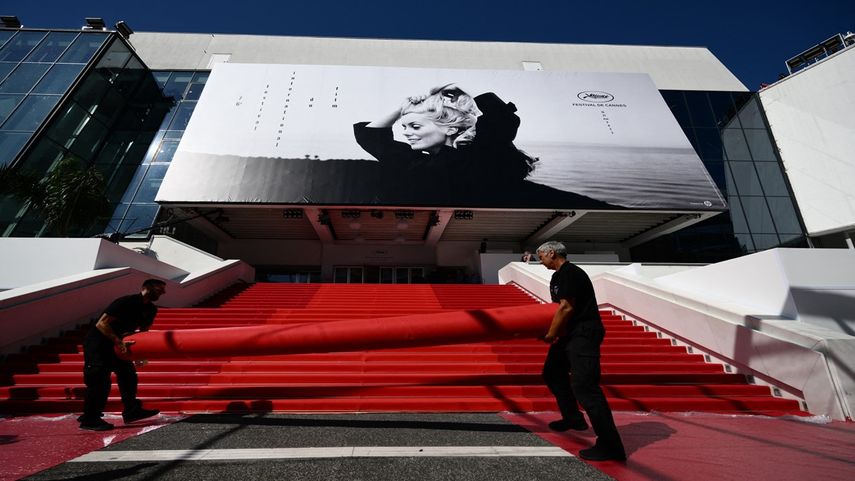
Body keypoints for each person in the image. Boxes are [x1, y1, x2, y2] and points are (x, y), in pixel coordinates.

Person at [353, 84, 619, 208]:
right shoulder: (415, 161)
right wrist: (402, 108)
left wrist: (456, 92)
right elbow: (372, 137)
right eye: (405, 127)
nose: (407, 133)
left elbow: (502, 120)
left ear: (449, 128)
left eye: (416, 127)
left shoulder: (480, 156)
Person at [537, 241, 626, 461]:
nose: (540, 261)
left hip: (583, 333)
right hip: (569, 334)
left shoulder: (571, 273)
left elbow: (566, 307)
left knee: (585, 387)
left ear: (551, 253)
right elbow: (558, 308)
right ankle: (573, 418)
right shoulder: (556, 276)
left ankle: (611, 445)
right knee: (553, 373)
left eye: (541, 256)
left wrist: (550, 334)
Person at [78, 279, 166, 431]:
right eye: (160, 289)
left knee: (128, 375)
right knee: (99, 382)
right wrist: (119, 342)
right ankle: (90, 419)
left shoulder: (151, 309)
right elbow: (101, 324)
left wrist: (140, 354)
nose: (163, 293)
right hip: (99, 344)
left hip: (119, 346)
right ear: (146, 287)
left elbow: (143, 333)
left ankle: (131, 410)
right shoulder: (126, 302)